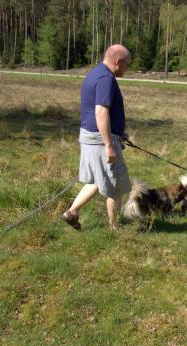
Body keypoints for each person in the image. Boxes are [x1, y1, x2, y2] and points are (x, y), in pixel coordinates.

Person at [61, 44, 132, 231]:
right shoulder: (105, 78)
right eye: (127, 64)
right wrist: (109, 145)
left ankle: (72, 212)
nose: (128, 68)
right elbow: (100, 111)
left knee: (97, 179)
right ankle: (114, 228)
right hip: (100, 141)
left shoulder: (95, 73)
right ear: (118, 61)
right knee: (116, 186)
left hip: (89, 136)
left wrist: (118, 134)